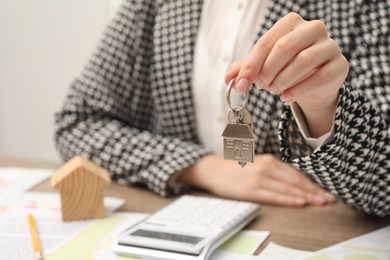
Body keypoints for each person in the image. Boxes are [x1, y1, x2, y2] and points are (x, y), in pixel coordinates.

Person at [54, 0, 390, 216]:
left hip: (308, 226)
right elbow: (78, 122)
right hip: (183, 217)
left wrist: (322, 108)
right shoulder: (155, 5)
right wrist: (202, 168)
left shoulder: (362, 6)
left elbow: (382, 184)